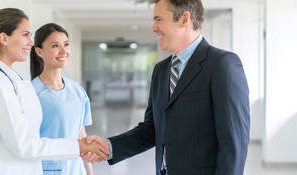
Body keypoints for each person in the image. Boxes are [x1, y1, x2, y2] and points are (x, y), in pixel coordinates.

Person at [84, 0, 250, 175]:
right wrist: (109, 146)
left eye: (159, 19)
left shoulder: (222, 65)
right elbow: (152, 129)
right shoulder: (161, 70)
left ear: (184, 19)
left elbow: (234, 144)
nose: (153, 28)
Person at [0, 8, 108, 175]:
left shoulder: (11, 79)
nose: (31, 42)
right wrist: (78, 146)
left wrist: (81, 148)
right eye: (25, 34)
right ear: (4, 38)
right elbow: (24, 145)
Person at [30, 23, 94, 175]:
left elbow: (81, 135)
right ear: (39, 51)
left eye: (66, 44)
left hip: (77, 170)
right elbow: (27, 143)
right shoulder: (31, 92)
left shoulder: (77, 90)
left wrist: (89, 172)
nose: (64, 51)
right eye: (55, 46)